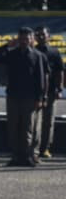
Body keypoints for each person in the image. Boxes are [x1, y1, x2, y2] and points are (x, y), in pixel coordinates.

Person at [0, 27, 47, 166]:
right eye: (21, 38)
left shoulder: (37, 56)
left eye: (26, 38)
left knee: (28, 128)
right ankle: (15, 156)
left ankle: (27, 156)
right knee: (13, 127)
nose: (24, 41)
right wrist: (7, 45)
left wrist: (40, 98)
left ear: (31, 40)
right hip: (13, 96)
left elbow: (41, 79)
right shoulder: (12, 54)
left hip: (30, 97)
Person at [34, 26, 63, 158]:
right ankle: (33, 148)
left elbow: (59, 71)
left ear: (48, 36)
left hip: (50, 92)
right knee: (34, 122)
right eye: (38, 35)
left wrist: (59, 88)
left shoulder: (54, 52)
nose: (40, 37)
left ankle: (45, 148)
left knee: (48, 122)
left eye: (43, 35)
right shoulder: (32, 50)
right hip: (34, 93)